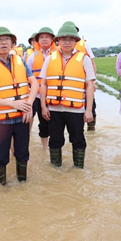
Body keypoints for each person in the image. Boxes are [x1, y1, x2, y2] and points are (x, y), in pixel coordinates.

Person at [0, 27, 38, 185]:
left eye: (7, 39)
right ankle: (2, 187)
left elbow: (34, 83)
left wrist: (29, 105)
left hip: (22, 119)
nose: (3, 42)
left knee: (22, 154)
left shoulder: (20, 61)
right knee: (0, 156)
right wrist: (13, 104)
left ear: (12, 43)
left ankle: (22, 184)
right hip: (0, 121)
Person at [39, 24, 95, 168]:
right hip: (54, 109)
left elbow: (89, 85)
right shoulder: (50, 58)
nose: (67, 42)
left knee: (78, 139)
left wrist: (88, 110)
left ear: (76, 41)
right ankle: (55, 171)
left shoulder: (84, 59)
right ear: (58, 41)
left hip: (75, 110)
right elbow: (43, 84)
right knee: (55, 140)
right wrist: (43, 107)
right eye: (64, 39)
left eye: (71, 39)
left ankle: (78, 170)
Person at [26, 27, 59, 151]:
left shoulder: (59, 54)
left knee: (56, 124)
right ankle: (45, 149)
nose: (44, 39)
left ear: (52, 39)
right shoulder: (32, 57)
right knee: (43, 123)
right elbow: (27, 77)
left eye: (47, 37)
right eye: (41, 37)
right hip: (39, 95)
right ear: (37, 40)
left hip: (55, 95)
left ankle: (55, 147)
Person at [61, 21, 98, 131]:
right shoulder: (59, 48)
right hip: (69, 84)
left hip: (84, 81)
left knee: (90, 105)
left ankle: (91, 127)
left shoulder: (84, 44)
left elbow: (92, 63)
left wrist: (93, 82)